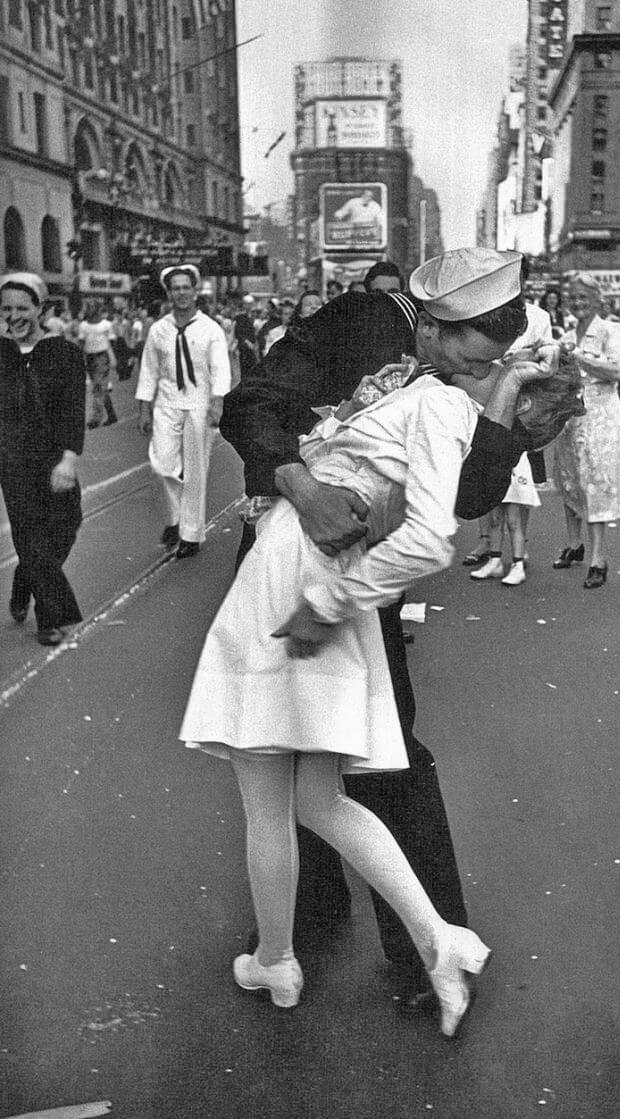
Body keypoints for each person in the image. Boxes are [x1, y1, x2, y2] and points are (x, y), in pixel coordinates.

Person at [181, 250, 534, 1034]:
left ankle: (387, 946)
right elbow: (251, 406)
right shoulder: (361, 321)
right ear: (437, 322)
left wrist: (510, 418)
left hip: (353, 575)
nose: (473, 369)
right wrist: (303, 488)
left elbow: (466, 495)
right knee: (320, 768)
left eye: (492, 362)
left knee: (342, 761)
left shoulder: (454, 386)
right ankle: (319, 927)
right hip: (303, 550)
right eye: (471, 353)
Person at [0, 272, 86, 646]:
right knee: (30, 536)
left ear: (39, 309)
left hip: (52, 457)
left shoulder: (63, 353)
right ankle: (49, 619)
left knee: (67, 524)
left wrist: (68, 461)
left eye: (22, 308)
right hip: (11, 460)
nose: (14, 316)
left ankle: (25, 578)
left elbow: (72, 409)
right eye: (6, 309)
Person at [135, 264, 231, 558]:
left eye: (186, 287)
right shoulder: (159, 330)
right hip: (166, 404)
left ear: (194, 290)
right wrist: (143, 409)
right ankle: (175, 520)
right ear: (169, 293)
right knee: (162, 465)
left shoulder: (210, 329)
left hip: (199, 406)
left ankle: (190, 534)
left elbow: (220, 368)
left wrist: (217, 403)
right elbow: (149, 370)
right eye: (175, 288)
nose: (181, 293)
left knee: (195, 472)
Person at [469, 271, 555, 585]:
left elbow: (548, 362)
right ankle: (491, 550)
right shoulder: (482, 313)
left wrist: (525, 359)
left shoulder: (539, 317)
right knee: (486, 484)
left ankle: (519, 552)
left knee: (518, 490)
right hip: (484, 404)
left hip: (522, 411)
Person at [550, 273, 620, 589]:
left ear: (597, 300)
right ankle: (574, 544)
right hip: (572, 416)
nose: (577, 303)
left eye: (584, 298)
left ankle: (599, 559)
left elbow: (619, 371)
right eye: (573, 298)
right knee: (570, 481)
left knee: (596, 483)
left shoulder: (611, 330)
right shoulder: (568, 334)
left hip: (601, 415)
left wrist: (581, 360)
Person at [78, 301, 118, 428]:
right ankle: (112, 415)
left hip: (102, 357)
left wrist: (112, 358)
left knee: (98, 387)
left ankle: (95, 418)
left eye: (91, 308)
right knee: (100, 388)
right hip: (89, 357)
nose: (88, 310)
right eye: (87, 308)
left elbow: (112, 343)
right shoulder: (83, 325)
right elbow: (81, 343)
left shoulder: (106, 325)